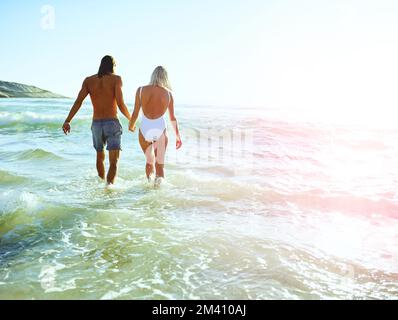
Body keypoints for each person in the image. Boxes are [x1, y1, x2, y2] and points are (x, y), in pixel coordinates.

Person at [62, 55, 131, 185]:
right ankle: (109, 189)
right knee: (114, 162)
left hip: (96, 125)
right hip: (112, 123)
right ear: (113, 66)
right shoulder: (116, 79)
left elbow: (78, 102)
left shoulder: (89, 81)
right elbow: (121, 104)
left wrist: (68, 120)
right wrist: (131, 119)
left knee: (100, 157)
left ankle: (101, 184)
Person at [129, 66, 182, 186]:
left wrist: (131, 125)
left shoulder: (141, 90)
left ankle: (149, 186)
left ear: (152, 75)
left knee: (149, 162)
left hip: (145, 129)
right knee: (160, 165)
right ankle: (159, 191)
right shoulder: (168, 94)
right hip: (160, 129)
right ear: (165, 77)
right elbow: (172, 118)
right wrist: (178, 137)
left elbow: (135, 112)